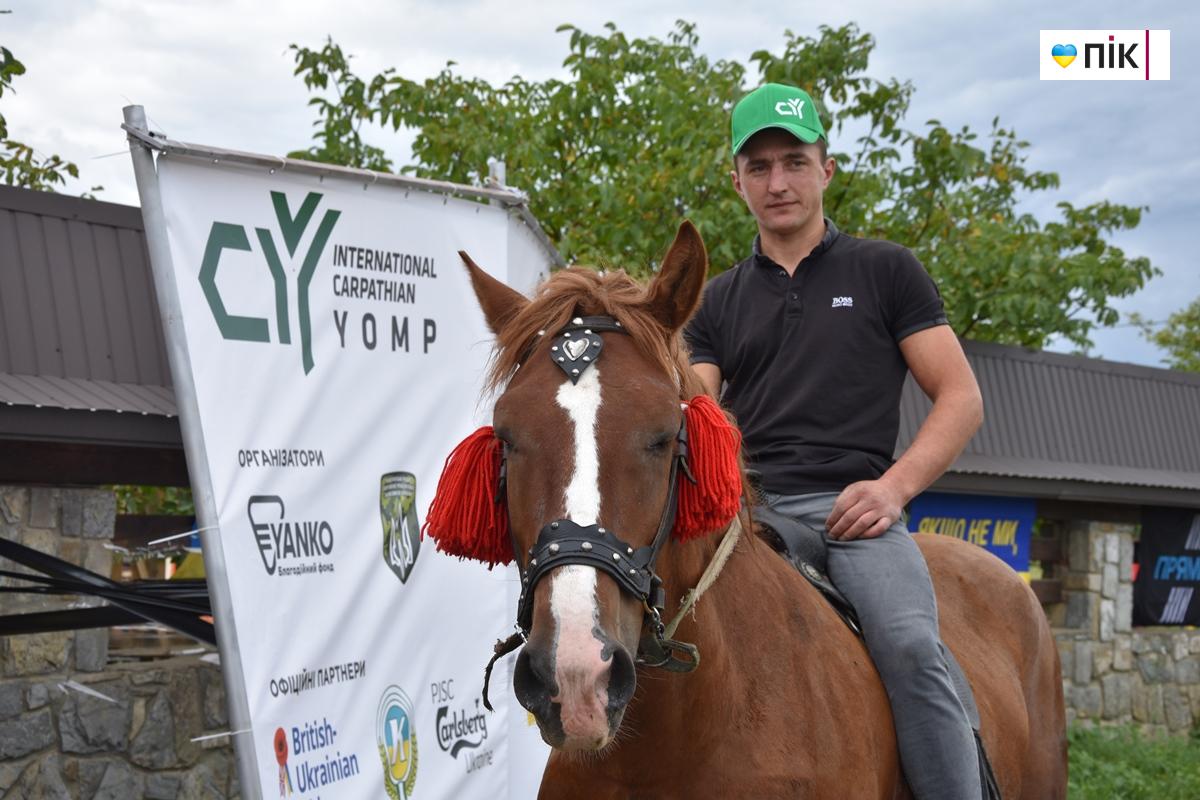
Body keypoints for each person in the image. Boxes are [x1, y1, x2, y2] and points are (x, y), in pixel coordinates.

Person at [684, 82, 986, 799]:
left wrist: (894, 489)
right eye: (758, 168)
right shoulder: (717, 300)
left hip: (855, 515)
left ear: (828, 168)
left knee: (913, 652)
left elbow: (962, 397)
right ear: (737, 182)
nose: (778, 182)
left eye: (794, 160)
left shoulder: (885, 271)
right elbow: (692, 410)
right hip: (747, 520)